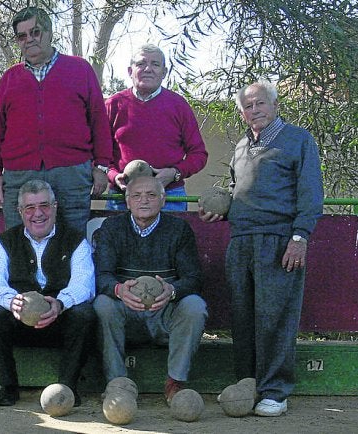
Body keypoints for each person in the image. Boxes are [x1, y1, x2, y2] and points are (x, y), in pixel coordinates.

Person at [199, 79, 324, 417]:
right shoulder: (241, 148)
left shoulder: (299, 140)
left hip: (279, 241)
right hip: (240, 242)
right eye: (248, 107)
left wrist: (299, 238)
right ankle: (248, 386)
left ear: (275, 105)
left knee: (276, 318)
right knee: (243, 319)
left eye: (260, 103)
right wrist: (220, 212)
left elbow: (311, 195)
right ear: (242, 114)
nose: (255, 110)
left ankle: (275, 391)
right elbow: (241, 194)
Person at [0, 6, 112, 234]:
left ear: (50, 33)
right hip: (19, 175)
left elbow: (99, 121)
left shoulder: (80, 70)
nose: (29, 40)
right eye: (22, 36)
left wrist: (101, 166)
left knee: (71, 240)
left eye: (35, 32)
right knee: (18, 243)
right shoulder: (9, 79)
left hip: (71, 174)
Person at [0, 179, 96, 407]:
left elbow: (84, 285)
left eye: (44, 206)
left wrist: (60, 304)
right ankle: (9, 387)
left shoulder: (75, 241)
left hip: (59, 320)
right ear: (20, 212)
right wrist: (12, 301)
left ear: (55, 206)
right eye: (30, 208)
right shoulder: (6, 241)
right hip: (19, 322)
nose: (38, 214)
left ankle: (67, 388)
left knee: (85, 315)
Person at [93, 175, 207, 405]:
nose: (143, 200)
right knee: (102, 304)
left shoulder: (179, 229)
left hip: (164, 312)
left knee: (195, 306)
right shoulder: (112, 228)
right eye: (136, 195)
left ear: (163, 200)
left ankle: (175, 381)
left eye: (151, 195)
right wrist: (119, 290)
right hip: (126, 312)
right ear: (127, 201)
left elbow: (193, 278)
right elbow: (101, 276)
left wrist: (171, 291)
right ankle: (117, 383)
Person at [104, 44, 208, 211]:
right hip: (122, 198)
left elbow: (199, 154)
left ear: (164, 72)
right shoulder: (113, 105)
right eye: (141, 64)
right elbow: (99, 155)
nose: (148, 69)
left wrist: (175, 173)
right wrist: (114, 176)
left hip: (170, 197)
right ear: (130, 71)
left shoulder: (178, 105)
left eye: (155, 64)